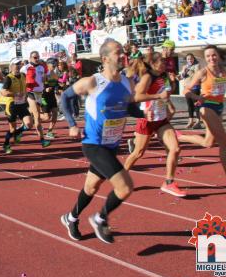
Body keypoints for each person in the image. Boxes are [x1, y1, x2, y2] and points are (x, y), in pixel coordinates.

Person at [59, 40, 168, 243]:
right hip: (93, 144)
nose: (123, 55)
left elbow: (127, 107)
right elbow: (64, 97)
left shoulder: (127, 82)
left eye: (123, 52)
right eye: (118, 53)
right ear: (105, 58)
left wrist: (146, 113)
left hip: (112, 145)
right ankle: (100, 218)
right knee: (125, 187)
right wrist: (72, 124)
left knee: (91, 188)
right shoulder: (93, 82)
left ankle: (70, 218)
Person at [177, 45, 226, 189]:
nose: (211, 58)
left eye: (214, 55)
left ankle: (179, 137)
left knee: (208, 143)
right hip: (207, 107)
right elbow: (186, 90)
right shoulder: (203, 72)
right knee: (224, 143)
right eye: (208, 56)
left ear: (218, 56)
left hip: (219, 107)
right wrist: (197, 96)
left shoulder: (223, 70)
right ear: (205, 58)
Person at [124, 53, 185, 197]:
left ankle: (169, 182)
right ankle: (120, 178)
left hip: (161, 119)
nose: (164, 64)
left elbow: (164, 94)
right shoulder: (147, 77)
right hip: (147, 120)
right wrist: (158, 96)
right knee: (138, 153)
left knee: (175, 149)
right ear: (153, 64)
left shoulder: (162, 77)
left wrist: (169, 105)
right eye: (161, 61)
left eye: (165, 62)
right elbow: (136, 97)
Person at [1, 58, 50, 154]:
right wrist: (15, 94)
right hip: (12, 106)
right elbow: (3, 92)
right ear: (11, 66)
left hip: (22, 104)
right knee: (12, 129)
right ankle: (6, 144)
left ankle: (18, 133)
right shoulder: (9, 78)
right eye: (16, 64)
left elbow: (31, 82)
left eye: (19, 64)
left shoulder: (23, 75)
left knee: (29, 124)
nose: (18, 66)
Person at [21, 51, 49, 145]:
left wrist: (45, 77)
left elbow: (44, 79)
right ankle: (42, 139)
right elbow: (19, 79)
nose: (37, 59)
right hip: (30, 93)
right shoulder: (25, 68)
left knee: (30, 120)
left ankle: (19, 131)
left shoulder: (41, 67)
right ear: (30, 58)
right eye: (34, 57)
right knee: (37, 116)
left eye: (38, 57)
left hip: (39, 94)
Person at [178, 53, 201, 129]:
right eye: (188, 59)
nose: (190, 60)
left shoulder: (196, 66)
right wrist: (183, 71)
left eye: (191, 58)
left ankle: (198, 122)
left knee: (196, 105)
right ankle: (190, 121)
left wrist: (189, 70)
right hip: (187, 87)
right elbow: (182, 76)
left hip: (195, 87)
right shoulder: (185, 66)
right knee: (189, 105)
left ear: (193, 59)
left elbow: (197, 75)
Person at [40, 58, 59, 139]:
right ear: (48, 64)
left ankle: (49, 131)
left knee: (55, 113)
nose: (55, 66)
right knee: (46, 117)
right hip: (43, 97)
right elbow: (39, 87)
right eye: (53, 64)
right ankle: (34, 116)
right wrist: (45, 89)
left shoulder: (54, 74)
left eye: (56, 65)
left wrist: (58, 89)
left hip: (52, 97)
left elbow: (56, 84)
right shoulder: (43, 74)